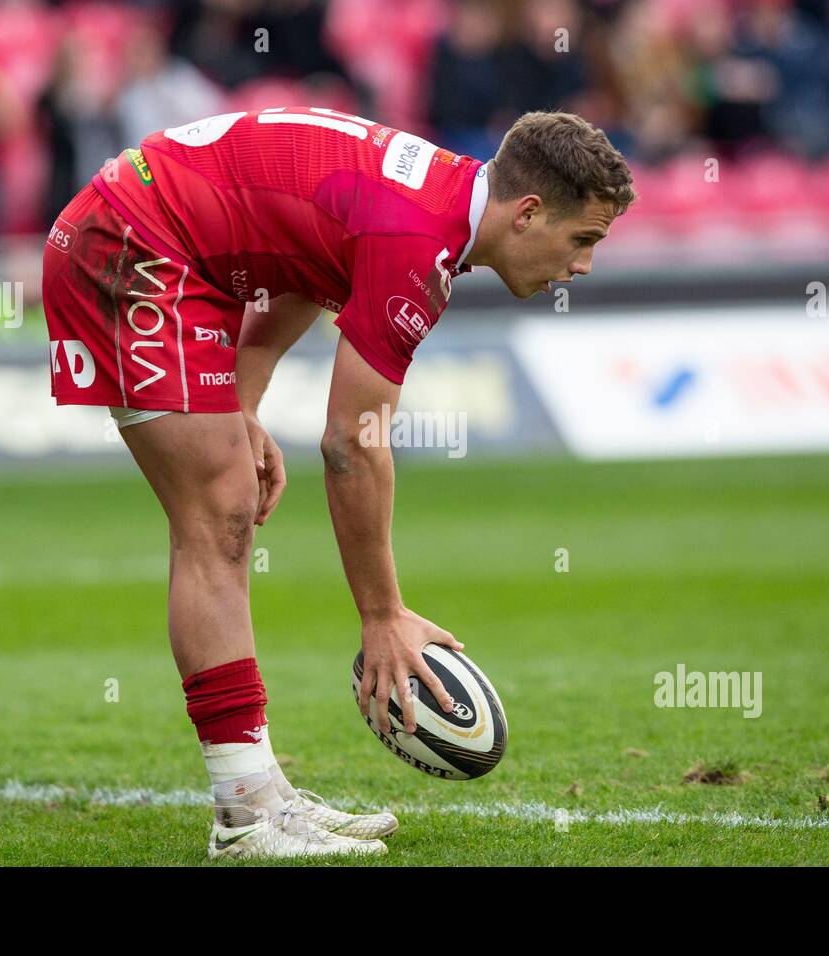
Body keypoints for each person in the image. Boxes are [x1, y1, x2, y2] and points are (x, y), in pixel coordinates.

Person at [41, 106, 634, 859]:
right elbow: (352, 445)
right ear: (527, 213)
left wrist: (243, 400)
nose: (581, 266)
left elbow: (303, 266)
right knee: (220, 517)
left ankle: (260, 793)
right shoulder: (418, 243)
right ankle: (246, 809)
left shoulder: (436, 205)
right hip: (132, 242)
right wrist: (382, 614)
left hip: (159, 238)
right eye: (583, 240)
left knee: (226, 511)